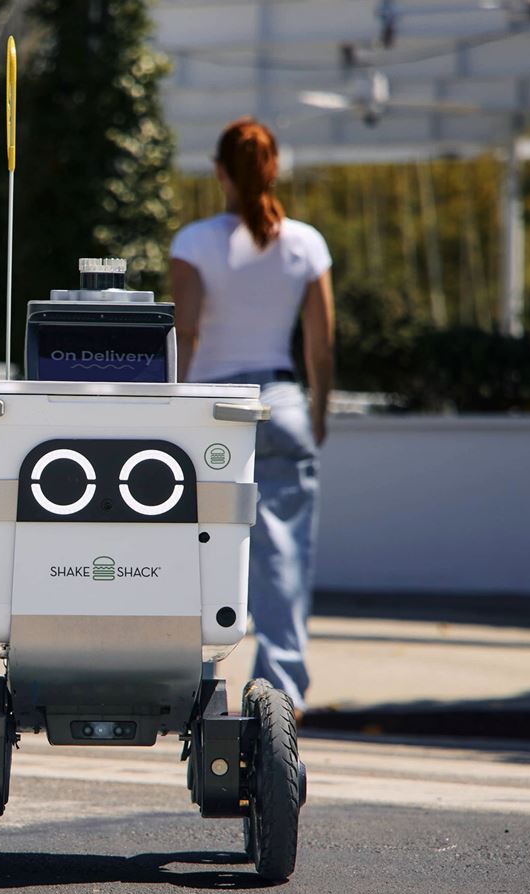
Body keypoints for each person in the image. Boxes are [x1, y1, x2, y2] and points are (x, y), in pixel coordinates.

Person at [169, 117, 335, 713]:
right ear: (274, 169)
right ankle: (281, 694)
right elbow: (320, 347)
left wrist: (172, 411)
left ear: (219, 172)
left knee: (194, 548)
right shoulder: (306, 244)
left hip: (211, 412)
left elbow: (185, 332)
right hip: (282, 404)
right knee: (282, 556)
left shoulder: (193, 243)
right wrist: (317, 413)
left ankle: (186, 680)